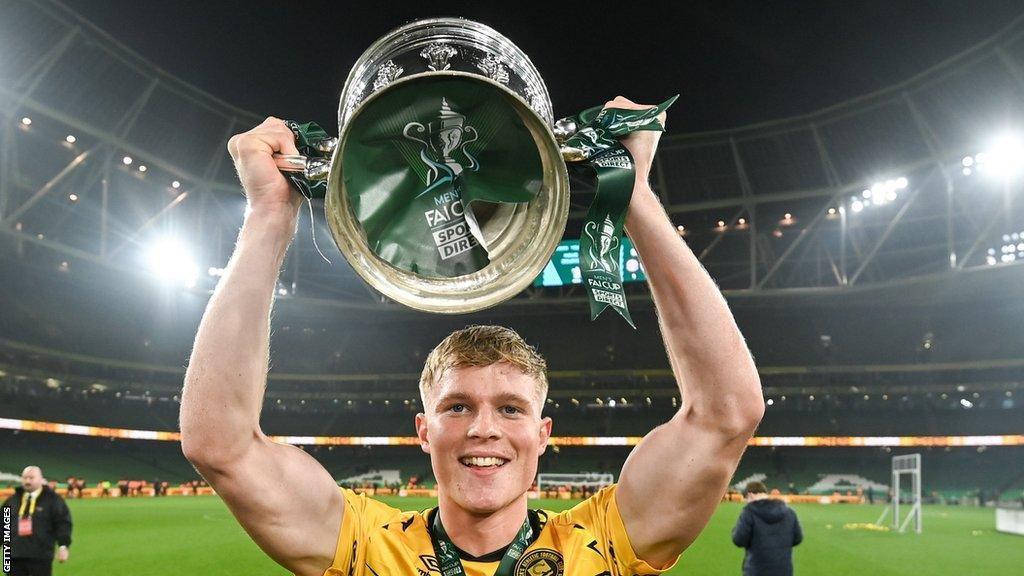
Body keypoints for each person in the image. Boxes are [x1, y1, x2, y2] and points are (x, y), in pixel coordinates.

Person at [180, 96, 764, 576]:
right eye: (457, 406)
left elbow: (727, 414)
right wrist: (268, 218)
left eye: (510, 409)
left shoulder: (603, 542)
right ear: (423, 430)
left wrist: (630, 191)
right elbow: (220, 445)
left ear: (542, 435)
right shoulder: (365, 545)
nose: (484, 427)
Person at [1, 466, 73, 576]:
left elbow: (62, 523)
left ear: (41, 479)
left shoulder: (53, 500)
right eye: (25, 478)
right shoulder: (12, 500)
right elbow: (2, 525)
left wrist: (63, 545)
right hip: (12, 555)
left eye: (31, 478)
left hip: (40, 556)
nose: (27, 481)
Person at [731, 481, 802, 576]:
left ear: (750, 495)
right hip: (784, 571)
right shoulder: (789, 512)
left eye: (746, 499)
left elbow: (739, 540)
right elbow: (798, 538)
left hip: (756, 570)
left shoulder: (749, 512)